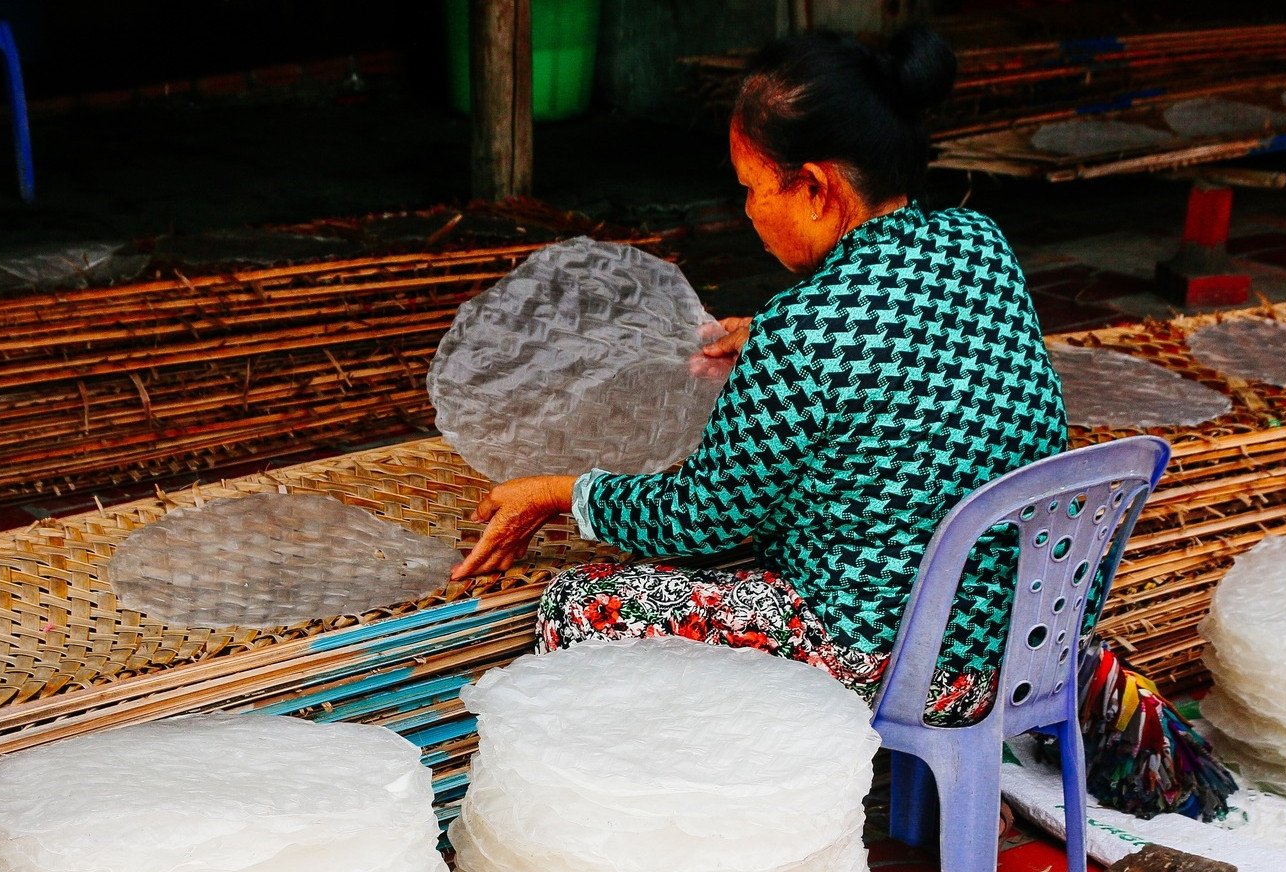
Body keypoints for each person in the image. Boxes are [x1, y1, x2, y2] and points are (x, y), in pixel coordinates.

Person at [451, 28, 1232, 818]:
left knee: (579, 604)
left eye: (754, 187)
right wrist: (770, 338)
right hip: (1028, 637)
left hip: (900, 662)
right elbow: (914, 342)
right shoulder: (980, 245)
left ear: (817, 187)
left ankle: (657, 828)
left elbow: (695, 517)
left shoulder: (805, 330)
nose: (748, 210)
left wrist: (560, 492)